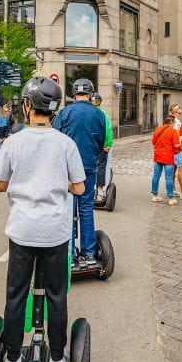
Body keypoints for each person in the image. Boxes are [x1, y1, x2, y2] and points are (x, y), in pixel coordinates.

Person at [0, 77, 85, 362]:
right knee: (57, 296)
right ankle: (57, 361)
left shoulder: (13, 142)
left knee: (16, 295)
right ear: (55, 110)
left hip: (22, 231)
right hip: (55, 233)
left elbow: (0, 184)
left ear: (28, 106)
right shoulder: (65, 144)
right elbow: (80, 187)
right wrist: (59, 182)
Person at [53, 78, 107, 268]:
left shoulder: (65, 113)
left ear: (73, 93)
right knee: (86, 209)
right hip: (89, 167)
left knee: (68, 209)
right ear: (91, 93)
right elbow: (102, 140)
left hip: (67, 169)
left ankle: (68, 253)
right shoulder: (98, 114)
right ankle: (89, 254)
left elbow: (55, 138)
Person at [151, 115, 180, 204]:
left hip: (158, 156)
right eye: (174, 122)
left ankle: (155, 196)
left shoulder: (158, 129)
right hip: (168, 157)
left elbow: (153, 142)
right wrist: (180, 146)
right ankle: (170, 198)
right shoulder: (173, 131)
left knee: (156, 176)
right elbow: (176, 145)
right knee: (169, 178)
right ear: (171, 122)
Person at [91, 92, 113, 198]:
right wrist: (108, 144)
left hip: (89, 144)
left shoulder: (87, 113)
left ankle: (89, 189)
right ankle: (99, 190)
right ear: (100, 102)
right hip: (101, 145)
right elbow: (108, 129)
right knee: (101, 167)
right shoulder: (103, 113)